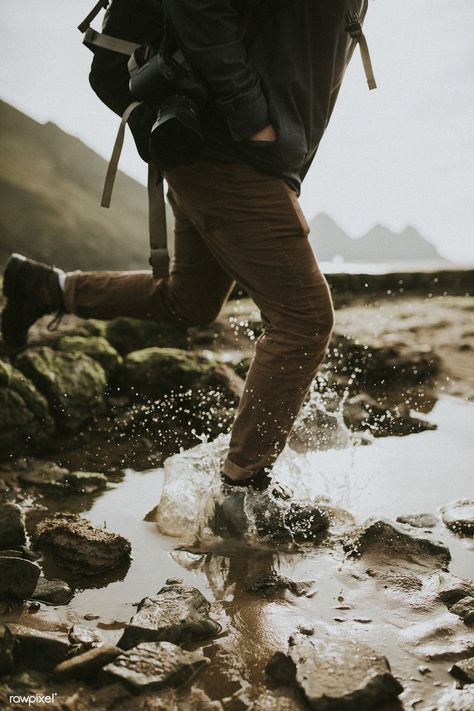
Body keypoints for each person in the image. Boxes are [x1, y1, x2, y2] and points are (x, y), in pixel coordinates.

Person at [1, 0, 370, 493]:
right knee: (304, 320)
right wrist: (251, 116)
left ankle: (47, 287)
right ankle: (241, 492)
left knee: (190, 301)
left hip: (210, 148)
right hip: (231, 153)